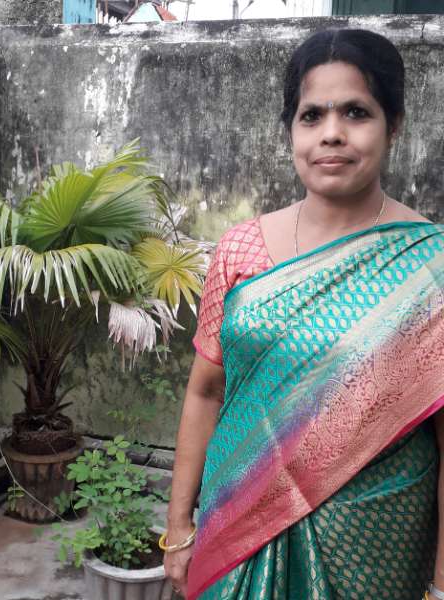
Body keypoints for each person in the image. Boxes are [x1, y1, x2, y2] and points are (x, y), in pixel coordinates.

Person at [162, 28, 444, 600]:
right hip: (237, 531)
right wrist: (178, 527)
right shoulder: (240, 250)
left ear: (394, 125)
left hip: (373, 550)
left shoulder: (430, 269)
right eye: (312, 115)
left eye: (356, 112)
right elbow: (205, 392)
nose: (331, 133)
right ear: (291, 129)